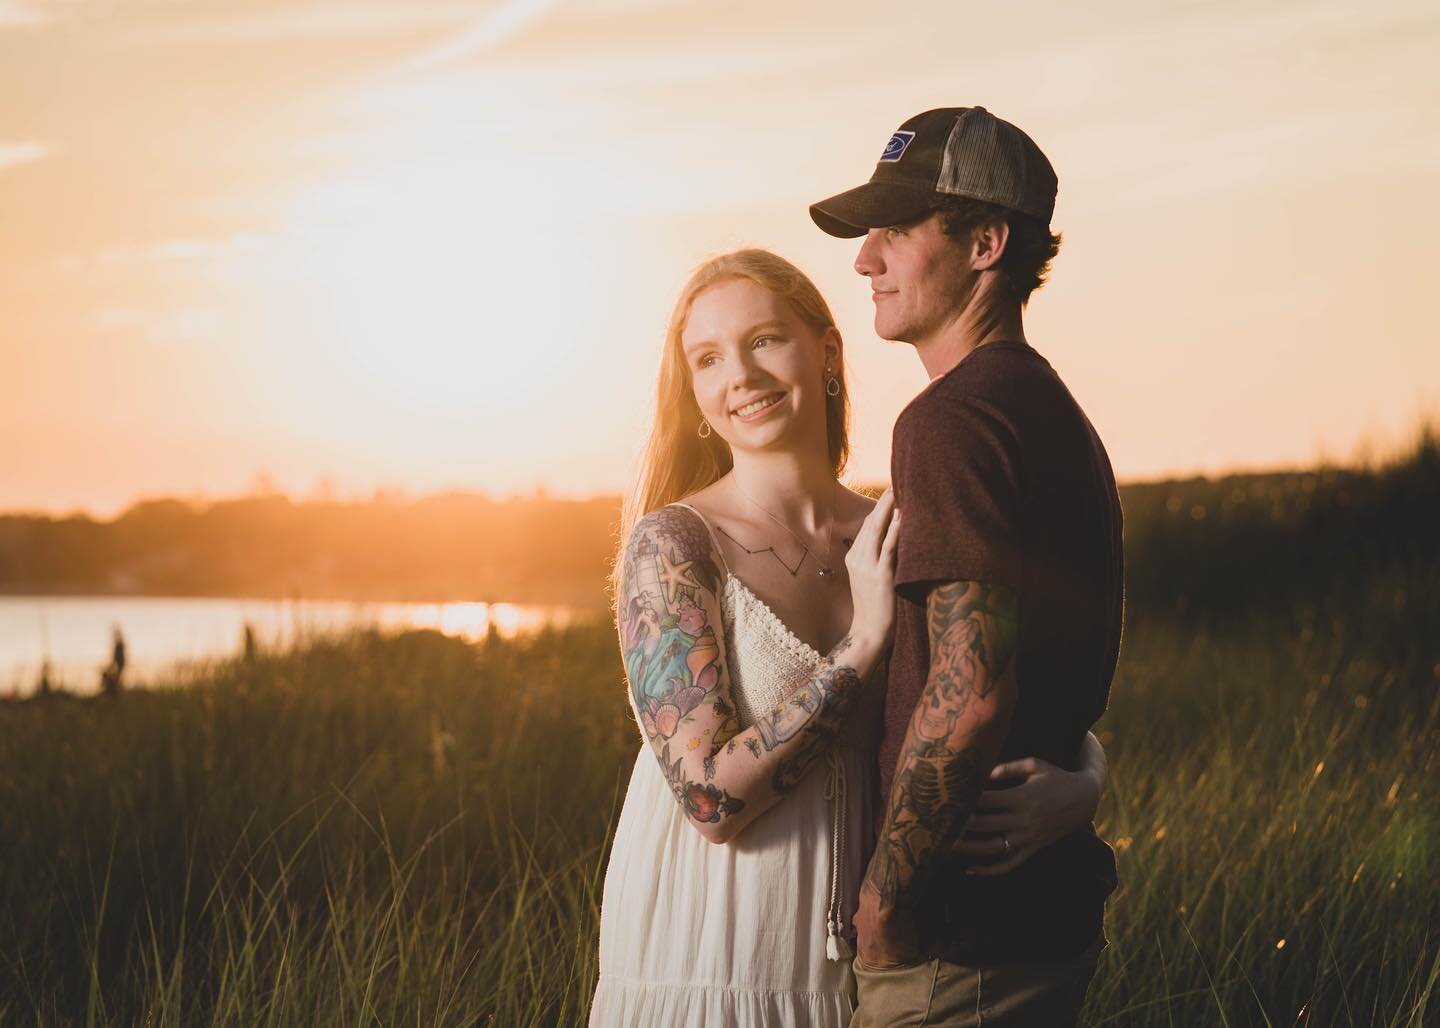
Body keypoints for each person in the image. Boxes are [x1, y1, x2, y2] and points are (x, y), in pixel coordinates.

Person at [589, 248, 1109, 1026]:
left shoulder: (895, 527)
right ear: (694, 395)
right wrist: (864, 643)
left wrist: (1085, 779)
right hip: (720, 942)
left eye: (765, 340)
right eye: (708, 358)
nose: (742, 374)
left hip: (868, 945)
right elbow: (709, 801)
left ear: (827, 352)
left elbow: (984, 685)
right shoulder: (672, 546)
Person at [810, 106, 1124, 1026]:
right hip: (1040, 920)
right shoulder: (1045, 406)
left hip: (962, 946)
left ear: (986, 243)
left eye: (897, 231)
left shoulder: (949, 421)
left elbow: (971, 686)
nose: (865, 260)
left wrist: (886, 901)